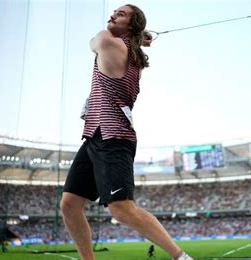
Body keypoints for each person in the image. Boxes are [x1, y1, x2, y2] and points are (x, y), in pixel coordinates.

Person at [60, 4, 192, 260]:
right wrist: (139, 38)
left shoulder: (110, 43)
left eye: (120, 14)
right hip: (95, 135)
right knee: (70, 204)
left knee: (121, 209)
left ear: (131, 25)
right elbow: (127, 42)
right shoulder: (129, 49)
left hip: (114, 137)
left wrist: (139, 37)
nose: (112, 15)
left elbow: (93, 41)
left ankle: (181, 257)